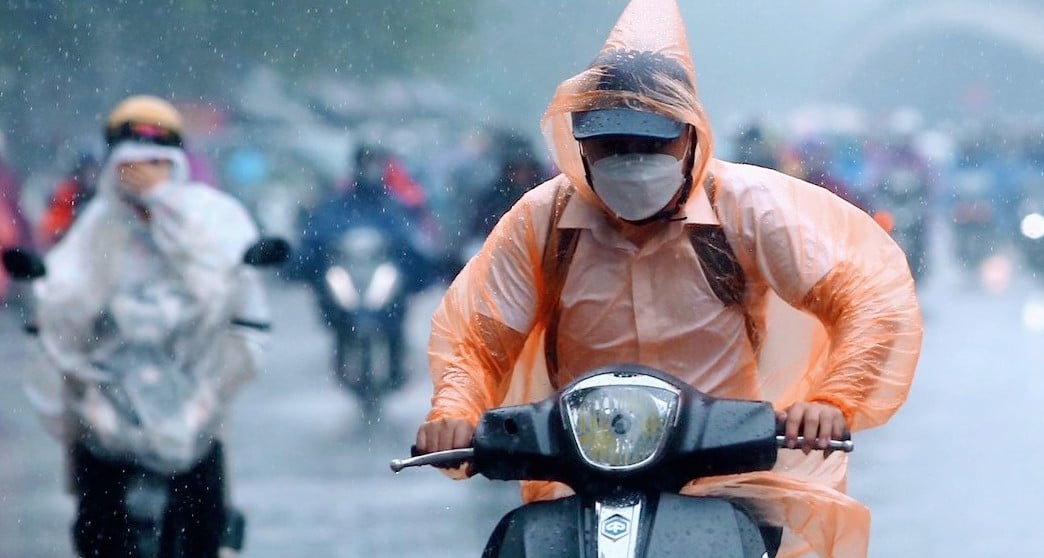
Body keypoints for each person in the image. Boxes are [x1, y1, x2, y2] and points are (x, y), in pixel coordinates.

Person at [412, 1, 922, 556]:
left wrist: (831, 399)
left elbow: (865, 300)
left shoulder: (746, 211)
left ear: (690, 140)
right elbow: (479, 339)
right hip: (582, 470)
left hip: (725, 475)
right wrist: (455, 414)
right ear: (579, 146)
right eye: (611, 146)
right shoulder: (543, 220)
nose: (630, 160)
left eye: (651, 144)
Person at [29, 94, 270, 557]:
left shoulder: (208, 218)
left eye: (157, 163)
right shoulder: (97, 226)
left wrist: (164, 208)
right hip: (112, 384)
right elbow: (67, 294)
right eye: (134, 165)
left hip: (187, 376)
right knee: (95, 510)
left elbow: (223, 280)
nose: (143, 176)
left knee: (205, 494)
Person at [290, 143, 437, 391]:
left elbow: (413, 239)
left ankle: (397, 358)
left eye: (375, 164)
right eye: (366, 163)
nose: (370, 170)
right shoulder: (339, 203)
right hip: (348, 275)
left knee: (396, 309)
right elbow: (316, 235)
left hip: (382, 275)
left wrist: (425, 261)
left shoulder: (394, 204)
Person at [35, 150, 102, 250]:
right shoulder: (69, 190)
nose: (93, 176)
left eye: (95, 171)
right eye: (90, 171)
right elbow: (54, 225)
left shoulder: (88, 193)